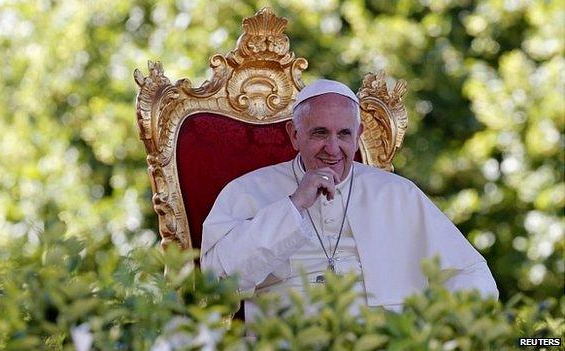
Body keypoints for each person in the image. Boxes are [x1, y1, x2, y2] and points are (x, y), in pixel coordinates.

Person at [200, 79, 498, 323]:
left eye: (344, 134)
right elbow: (215, 285)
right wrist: (293, 206)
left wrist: (440, 331)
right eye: (319, 133)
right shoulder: (246, 192)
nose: (333, 148)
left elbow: (471, 273)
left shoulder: (397, 194)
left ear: (358, 135)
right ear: (294, 134)